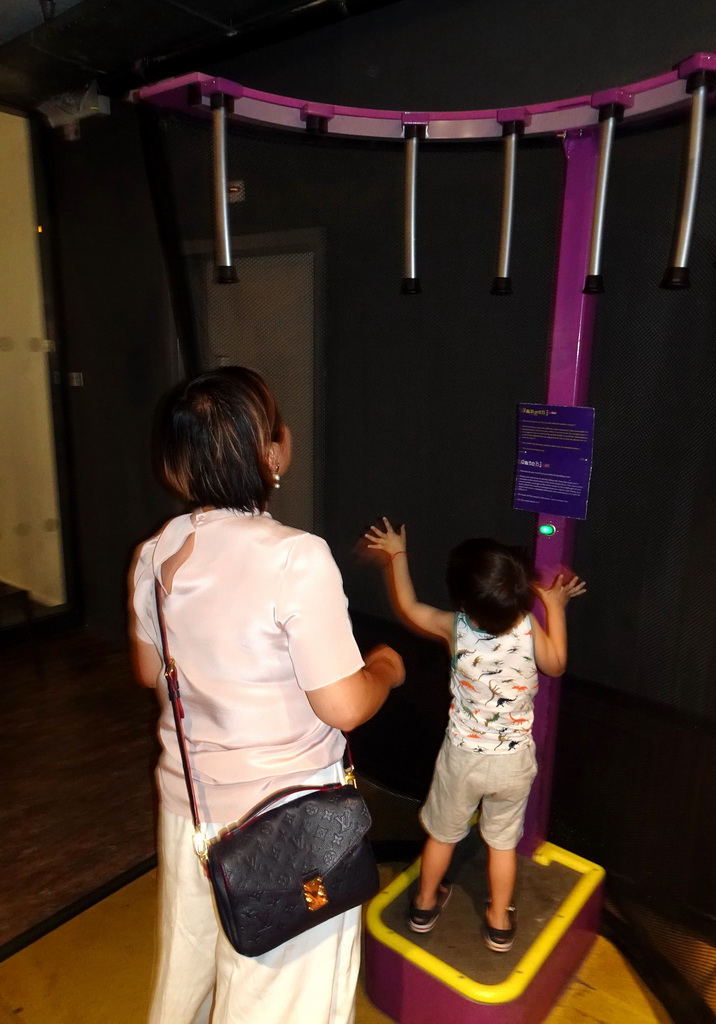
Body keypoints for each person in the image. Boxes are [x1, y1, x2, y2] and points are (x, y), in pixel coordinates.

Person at [128, 367, 404, 1024]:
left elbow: (151, 672)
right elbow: (341, 704)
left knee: (188, 977)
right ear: (270, 451)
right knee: (280, 1005)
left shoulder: (153, 553)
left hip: (190, 812)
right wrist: (386, 669)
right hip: (287, 827)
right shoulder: (295, 557)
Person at [364, 517, 584, 953]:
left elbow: (408, 607)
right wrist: (554, 607)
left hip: (462, 758)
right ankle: (499, 922)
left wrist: (396, 555)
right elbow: (556, 663)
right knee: (502, 844)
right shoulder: (526, 625)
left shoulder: (456, 627)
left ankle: (425, 904)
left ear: (464, 601)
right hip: (513, 763)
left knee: (443, 835)